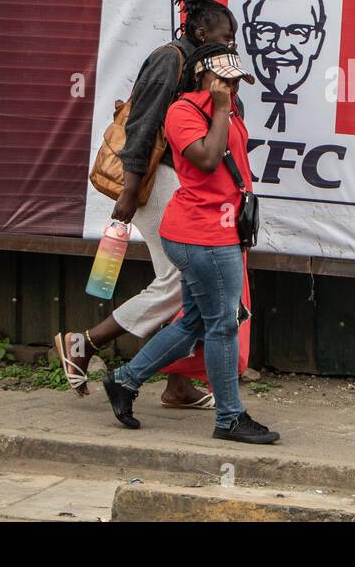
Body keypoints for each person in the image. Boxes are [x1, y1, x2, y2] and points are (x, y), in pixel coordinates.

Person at [54, 0, 236, 408]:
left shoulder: (197, 65)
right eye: (224, 37)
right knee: (180, 281)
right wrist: (131, 188)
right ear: (200, 32)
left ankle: (176, 385)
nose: (230, 45)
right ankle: (87, 342)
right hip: (158, 183)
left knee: (186, 284)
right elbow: (141, 125)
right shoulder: (169, 60)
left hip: (178, 183)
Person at [102, 42, 279, 444]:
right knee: (222, 325)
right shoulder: (182, 112)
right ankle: (230, 417)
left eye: (236, 81)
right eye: (225, 80)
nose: (232, 88)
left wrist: (223, 108)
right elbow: (207, 159)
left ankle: (125, 380)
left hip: (218, 232)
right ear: (204, 76)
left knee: (196, 321)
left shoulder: (228, 111)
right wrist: (218, 108)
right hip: (202, 235)